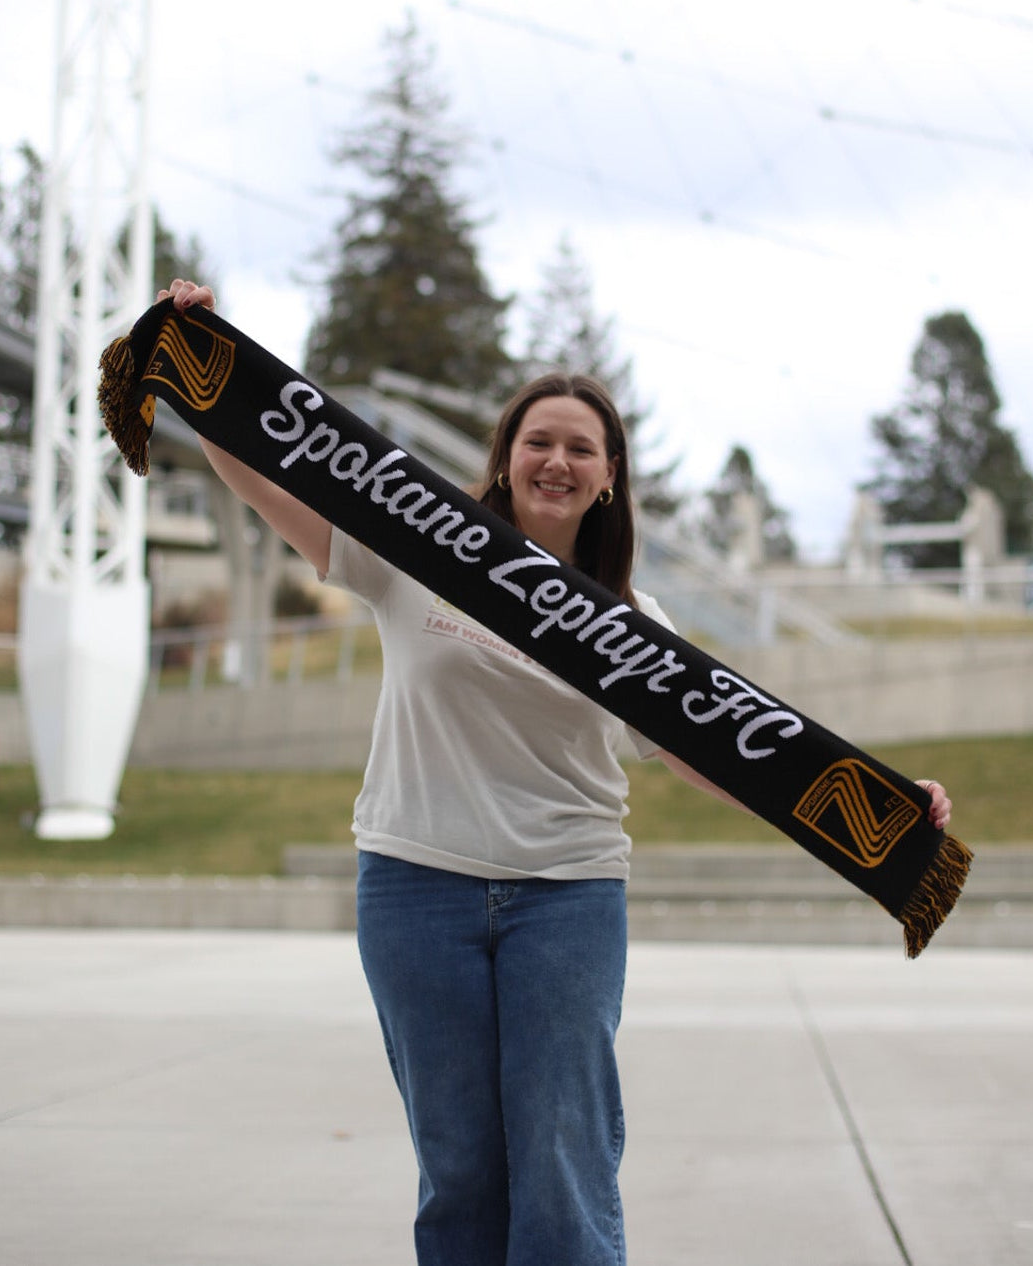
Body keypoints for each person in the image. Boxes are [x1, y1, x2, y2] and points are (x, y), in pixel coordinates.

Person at [158, 279, 954, 1266]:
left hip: (567, 897)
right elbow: (268, 479)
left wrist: (890, 810)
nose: (557, 461)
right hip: (415, 889)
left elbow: (725, 754)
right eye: (539, 441)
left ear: (609, 476)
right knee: (458, 1165)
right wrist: (199, 356)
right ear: (505, 457)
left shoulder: (633, 625)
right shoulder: (415, 551)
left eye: (582, 448)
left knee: (562, 1159)